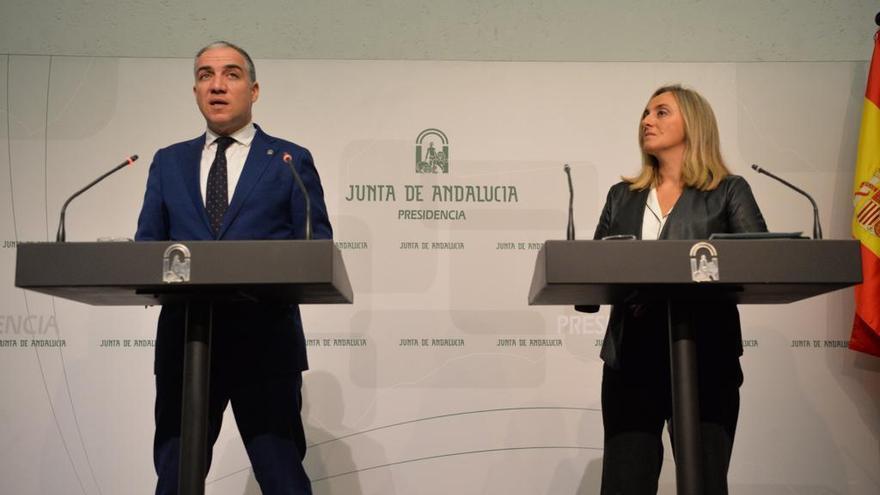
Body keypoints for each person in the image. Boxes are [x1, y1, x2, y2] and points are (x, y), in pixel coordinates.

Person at [135, 41, 331, 494]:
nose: (217, 85)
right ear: (195, 90)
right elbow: (147, 248)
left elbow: (316, 246)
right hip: (186, 343)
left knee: (282, 476)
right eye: (205, 75)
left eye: (231, 74)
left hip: (264, 343)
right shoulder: (168, 162)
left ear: (254, 89)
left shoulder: (288, 160)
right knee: (175, 478)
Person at [587, 85, 767, 494]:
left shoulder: (728, 191)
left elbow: (760, 259)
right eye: (646, 113)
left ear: (694, 123)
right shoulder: (622, 197)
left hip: (706, 359)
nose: (647, 121)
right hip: (631, 362)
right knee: (623, 484)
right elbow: (592, 266)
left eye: (661, 112)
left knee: (703, 483)